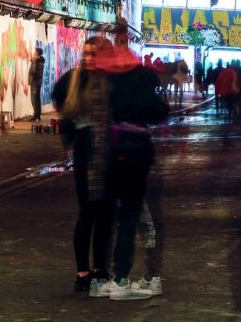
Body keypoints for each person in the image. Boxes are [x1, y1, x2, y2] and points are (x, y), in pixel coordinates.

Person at [93, 27, 168, 300]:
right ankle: (131, 277)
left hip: (112, 150)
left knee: (112, 215)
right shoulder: (142, 79)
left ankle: (114, 276)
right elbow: (159, 111)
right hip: (137, 150)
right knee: (134, 214)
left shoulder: (105, 80)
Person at [52, 36, 115, 294]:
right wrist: (71, 137)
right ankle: (83, 272)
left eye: (94, 54)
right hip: (88, 149)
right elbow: (60, 105)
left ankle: (99, 268)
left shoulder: (111, 80)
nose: (88, 58)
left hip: (109, 150)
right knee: (88, 213)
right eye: (86, 53)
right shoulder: (74, 79)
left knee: (106, 215)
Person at [29, 47, 46, 121]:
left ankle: (36, 115)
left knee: (34, 100)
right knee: (37, 100)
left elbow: (34, 71)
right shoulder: (40, 61)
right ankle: (37, 115)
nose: (33, 52)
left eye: (34, 51)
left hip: (35, 83)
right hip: (37, 83)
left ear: (37, 53)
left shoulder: (38, 62)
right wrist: (33, 61)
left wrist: (33, 62)